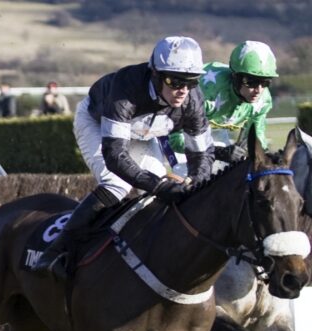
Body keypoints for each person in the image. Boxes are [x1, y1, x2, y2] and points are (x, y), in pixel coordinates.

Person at [29, 36, 214, 279]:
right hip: (97, 124)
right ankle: (55, 252)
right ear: (156, 75)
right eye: (174, 80)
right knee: (118, 185)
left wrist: (195, 183)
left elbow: (202, 155)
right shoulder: (126, 87)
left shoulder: (192, 101)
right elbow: (115, 156)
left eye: (191, 82)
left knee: (172, 184)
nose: (182, 91)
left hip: (143, 132)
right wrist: (158, 185)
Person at [168, 40, 277, 168]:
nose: (258, 90)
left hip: (212, 130)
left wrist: (268, 159)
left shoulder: (263, 100)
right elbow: (175, 139)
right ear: (236, 77)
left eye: (265, 83)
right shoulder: (207, 94)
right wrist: (218, 152)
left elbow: (257, 138)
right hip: (171, 128)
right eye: (251, 82)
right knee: (187, 180)